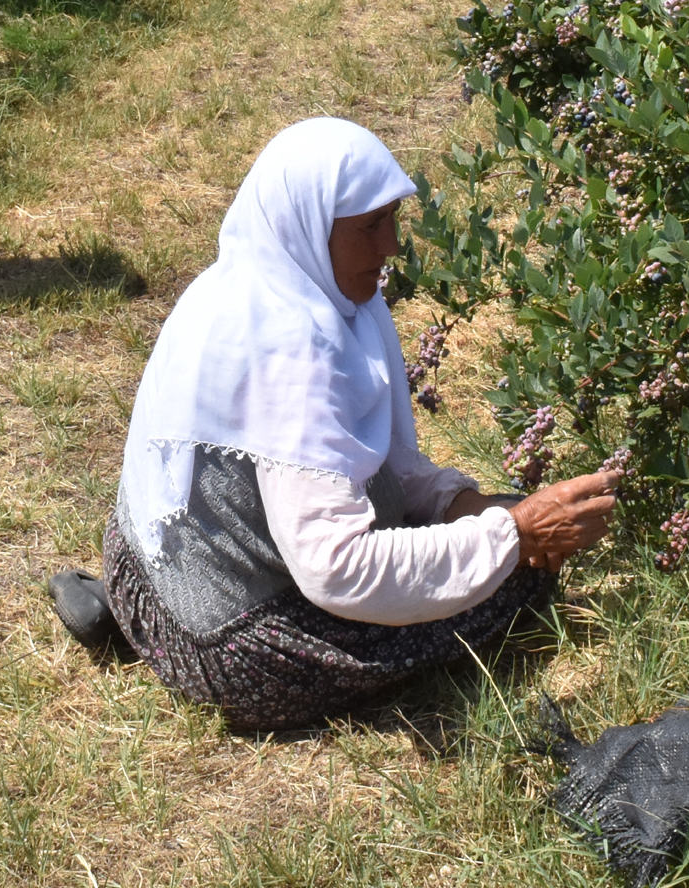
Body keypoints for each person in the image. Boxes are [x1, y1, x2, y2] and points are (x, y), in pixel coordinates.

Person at [54, 117, 618, 730]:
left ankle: (128, 623)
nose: (392, 246)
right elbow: (338, 569)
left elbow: (377, 459)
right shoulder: (292, 347)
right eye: (370, 227)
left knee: (499, 527)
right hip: (228, 645)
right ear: (312, 228)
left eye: (392, 220)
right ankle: (168, 653)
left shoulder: (254, 284)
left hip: (144, 565)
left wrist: (468, 505)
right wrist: (512, 538)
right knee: (516, 581)